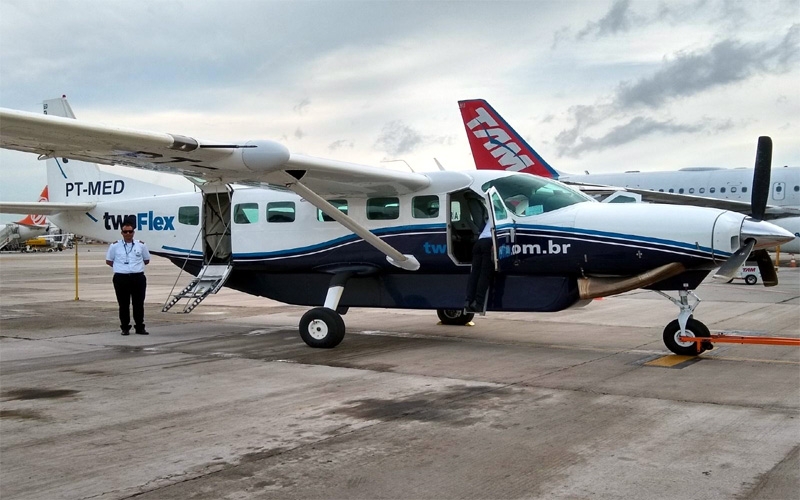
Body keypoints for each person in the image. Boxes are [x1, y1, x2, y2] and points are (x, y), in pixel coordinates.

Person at [106, 220, 151, 335]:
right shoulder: (115, 246)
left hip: (138, 278)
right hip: (121, 278)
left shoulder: (141, 245)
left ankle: (140, 327)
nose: (128, 234)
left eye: (130, 231)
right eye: (125, 232)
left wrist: (135, 268)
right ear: (122, 233)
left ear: (133, 232)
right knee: (123, 304)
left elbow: (146, 260)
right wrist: (122, 269)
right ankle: (125, 327)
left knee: (138, 304)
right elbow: (109, 261)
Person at [464, 197, 493, 313]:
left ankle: (468, 301)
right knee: (484, 274)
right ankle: (478, 303)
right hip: (489, 243)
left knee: (474, 274)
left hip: (479, 243)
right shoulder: (500, 217)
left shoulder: (491, 218)